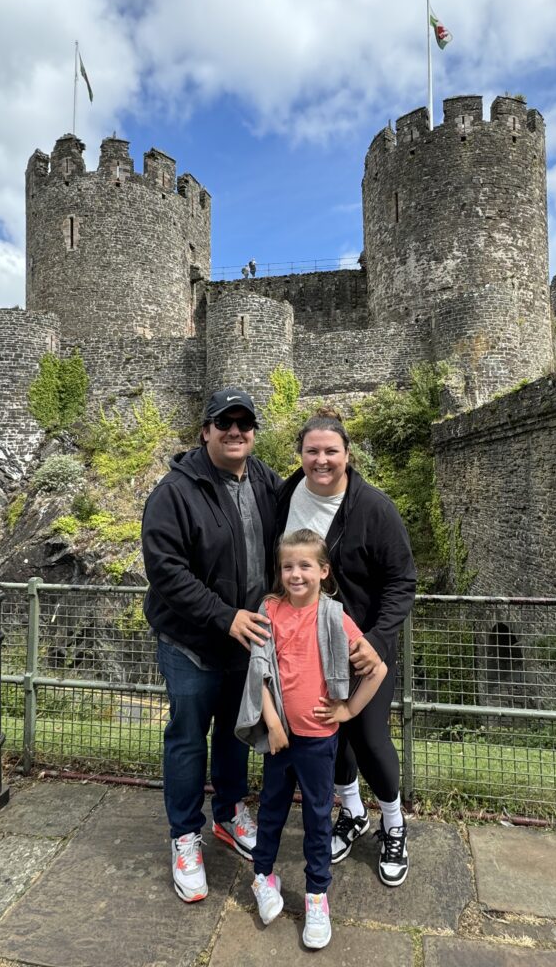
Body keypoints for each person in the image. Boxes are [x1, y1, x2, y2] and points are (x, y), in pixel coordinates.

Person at [141, 387, 281, 903]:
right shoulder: (174, 493)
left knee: (234, 732)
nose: (235, 431)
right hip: (192, 642)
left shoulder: (265, 481)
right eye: (225, 422)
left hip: (245, 643)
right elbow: (166, 573)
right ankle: (184, 835)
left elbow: (303, 523)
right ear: (205, 431)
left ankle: (227, 813)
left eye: (244, 423)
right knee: (186, 737)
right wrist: (225, 617)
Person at [276, 410, 417, 886]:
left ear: (346, 455)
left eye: (330, 451)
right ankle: (353, 813)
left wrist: (377, 642)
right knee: (327, 733)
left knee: (370, 739)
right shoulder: (285, 496)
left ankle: (394, 824)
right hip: (307, 646)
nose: (321, 460)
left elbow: (402, 581)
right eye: (312, 451)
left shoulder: (374, 508)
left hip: (363, 647)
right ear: (300, 455)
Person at [235, 529, 387, 949]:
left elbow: (377, 670)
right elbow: (260, 672)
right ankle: (263, 877)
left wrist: (349, 710)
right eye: (288, 567)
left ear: (323, 571)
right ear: (279, 572)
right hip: (281, 738)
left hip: (320, 739)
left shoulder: (335, 617)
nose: (295, 574)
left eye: (305, 566)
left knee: (319, 819)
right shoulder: (269, 609)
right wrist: (274, 724)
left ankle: (317, 896)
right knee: (271, 812)